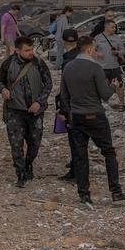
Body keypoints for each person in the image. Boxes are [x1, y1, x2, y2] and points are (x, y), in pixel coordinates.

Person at [59, 36, 125, 205]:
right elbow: (105, 95)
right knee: (108, 152)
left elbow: (63, 95)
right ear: (90, 50)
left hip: (76, 117)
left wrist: (68, 113)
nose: (98, 53)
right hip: (95, 115)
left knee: (80, 156)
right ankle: (115, 191)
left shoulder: (68, 67)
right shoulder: (95, 68)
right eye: (96, 49)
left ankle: (84, 194)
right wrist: (113, 86)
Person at [0, 36, 53, 188]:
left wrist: (39, 102)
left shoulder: (39, 63)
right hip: (14, 110)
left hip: (35, 112)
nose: (30, 53)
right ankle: (20, 173)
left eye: (31, 49)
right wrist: (3, 89)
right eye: (27, 50)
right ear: (17, 50)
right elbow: (0, 81)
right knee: (16, 144)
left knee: (34, 143)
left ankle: (28, 164)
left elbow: (48, 84)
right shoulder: (8, 63)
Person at [56, 28, 81, 182]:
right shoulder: (82, 57)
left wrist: (62, 108)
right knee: (79, 140)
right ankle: (76, 168)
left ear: (64, 42)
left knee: (75, 140)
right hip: (84, 103)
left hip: (72, 105)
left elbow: (66, 88)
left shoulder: (67, 62)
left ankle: (76, 171)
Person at [94, 20, 125, 110]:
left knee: (119, 85)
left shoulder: (117, 38)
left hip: (114, 66)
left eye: (115, 27)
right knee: (102, 86)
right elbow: (92, 50)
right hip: (102, 67)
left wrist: (117, 52)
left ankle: (122, 103)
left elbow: (123, 50)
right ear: (106, 27)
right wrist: (97, 53)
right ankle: (101, 104)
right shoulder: (98, 38)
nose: (115, 29)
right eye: (113, 27)